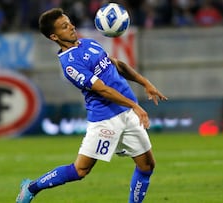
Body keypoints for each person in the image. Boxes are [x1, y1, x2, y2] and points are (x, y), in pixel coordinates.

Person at [16, 7, 167, 203]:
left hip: (126, 113)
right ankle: (31, 187)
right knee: (81, 170)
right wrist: (135, 105)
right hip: (105, 120)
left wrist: (145, 83)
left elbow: (117, 65)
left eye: (69, 22)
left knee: (147, 166)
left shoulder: (88, 43)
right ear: (54, 36)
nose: (71, 26)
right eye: (64, 26)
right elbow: (102, 89)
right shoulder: (70, 63)